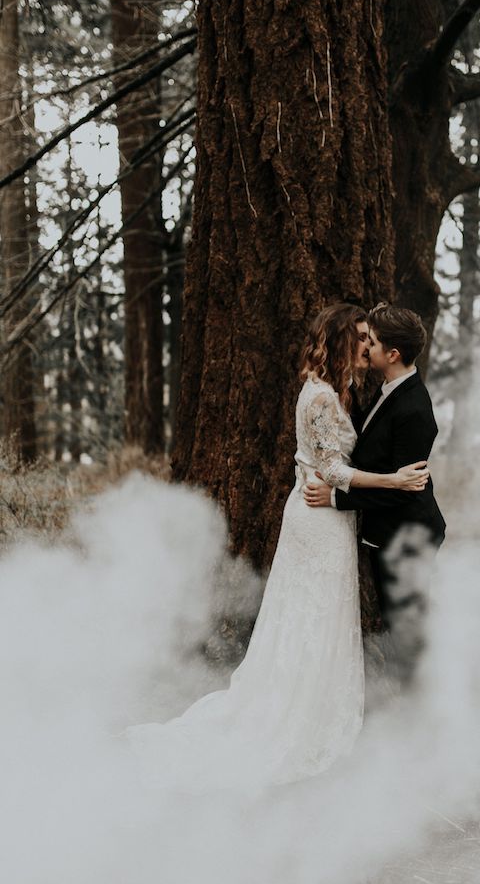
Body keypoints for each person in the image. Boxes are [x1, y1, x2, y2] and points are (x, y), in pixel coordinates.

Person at [123, 303, 429, 792]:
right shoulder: (324, 399)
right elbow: (330, 471)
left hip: (325, 514)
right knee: (312, 613)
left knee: (312, 614)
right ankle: (298, 710)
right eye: (360, 338)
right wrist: (393, 481)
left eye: (372, 339)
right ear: (342, 341)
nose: (366, 346)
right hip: (320, 517)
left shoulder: (332, 389)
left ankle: (315, 699)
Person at [304, 303, 446, 667]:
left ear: (393, 354)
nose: (366, 347)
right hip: (388, 533)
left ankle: (421, 708)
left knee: (406, 628)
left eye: (374, 342)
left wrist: (336, 498)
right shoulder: (388, 389)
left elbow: (401, 489)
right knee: (396, 623)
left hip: (408, 534)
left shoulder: (414, 409)